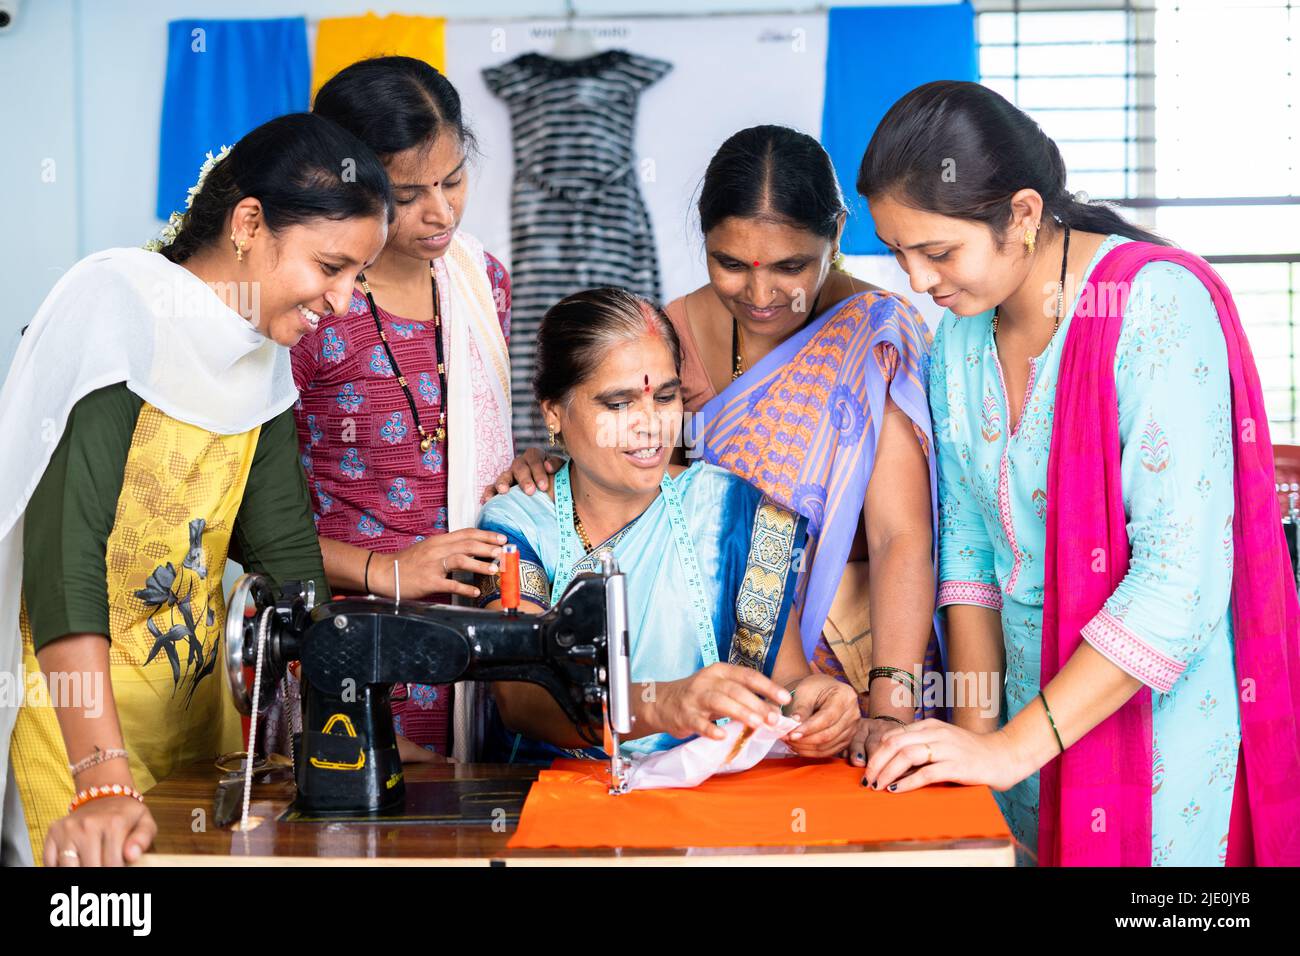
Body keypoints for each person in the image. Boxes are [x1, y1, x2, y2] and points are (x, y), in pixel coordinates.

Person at [859, 80, 1300, 866]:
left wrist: (1009, 750)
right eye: (898, 253)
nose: (916, 282)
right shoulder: (961, 341)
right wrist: (976, 750)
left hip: (1159, 740)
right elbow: (969, 561)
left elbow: (1180, 582)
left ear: (1022, 215)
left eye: (936, 251)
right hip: (1022, 745)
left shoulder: (1155, 306)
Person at [0, 113, 393, 866]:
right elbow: (63, 556)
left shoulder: (262, 354)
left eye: (357, 278)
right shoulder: (115, 308)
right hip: (75, 732)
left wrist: (344, 728)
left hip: (195, 729)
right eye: (330, 266)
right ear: (250, 223)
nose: (343, 303)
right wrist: (99, 777)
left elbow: (287, 559)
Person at [493, 127, 942, 768]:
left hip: (862, 657)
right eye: (731, 264)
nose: (761, 296)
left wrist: (887, 709)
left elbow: (902, 538)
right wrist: (554, 463)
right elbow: (643, 495)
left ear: (837, 235)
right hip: (703, 676)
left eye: (791, 266)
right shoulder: (670, 332)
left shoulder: (875, 338)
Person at [476, 288, 859, 759]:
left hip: (705, 804)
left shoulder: (729, 509)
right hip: (548, 803)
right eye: (618, 404)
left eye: (666, 396)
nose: (651, 424)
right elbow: (520, 699)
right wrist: (664, 703)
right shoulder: (515, 525)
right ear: (553, 412)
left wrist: (815, 705)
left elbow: (788, 683)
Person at [299, 57, 515, 760]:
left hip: (474, 645)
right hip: (349, 646)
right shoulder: (309, 308)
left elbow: (477, 444)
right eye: (410, 192)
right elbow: (250, 520)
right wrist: (389, 571)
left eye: (453, 180)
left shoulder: (482, 283)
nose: (442, 212)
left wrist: (530, 466)